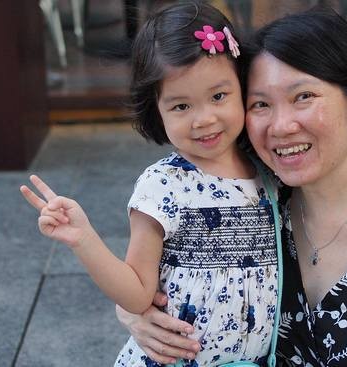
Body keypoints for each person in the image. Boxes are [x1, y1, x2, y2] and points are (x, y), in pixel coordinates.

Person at [116, 7, 347, 367]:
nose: (281, 126)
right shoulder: (258, 202)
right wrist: (136, 314)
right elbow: (155, 277)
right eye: (261, 104)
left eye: (303, 97)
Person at [20, 2, 281, 366]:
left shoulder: (268, 172)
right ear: (155, 110)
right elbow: (137, 294)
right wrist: (85, 240)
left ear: (242, 85)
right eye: (180, 106)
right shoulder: (164, 186)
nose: (204, 119)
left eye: (218, 96)